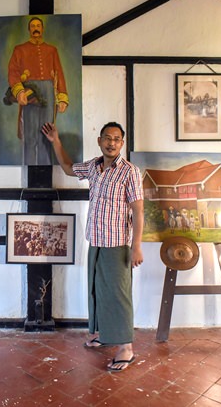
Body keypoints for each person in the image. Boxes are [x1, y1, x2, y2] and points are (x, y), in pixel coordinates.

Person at [41, 120, 144, 372]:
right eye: (107, 138)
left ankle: (126, 348)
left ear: (122, 143)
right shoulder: (93, 167)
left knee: (118, 295)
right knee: (97, 290)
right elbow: (68, 168)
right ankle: (103, 335)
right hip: (95, 240)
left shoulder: (129, 172)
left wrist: (137, 246)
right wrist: (56, 141)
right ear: (100, 141)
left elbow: (138, 211)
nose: (111, 143)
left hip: (117, 243)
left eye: (116, 139)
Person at [8, 17, 69, 165]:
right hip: (30, 92)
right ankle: (29, 166)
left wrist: (62, 97)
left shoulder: (52, 50)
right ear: (29, 30)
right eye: (33, 26)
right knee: (30, 135)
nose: (36, 28)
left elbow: (59, 73)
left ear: (42, 29)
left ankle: (45, 166)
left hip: (48, 91)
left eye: (38, 26)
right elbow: (13, 72)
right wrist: (19, 91)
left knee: (46, 134)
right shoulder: (19, 49)